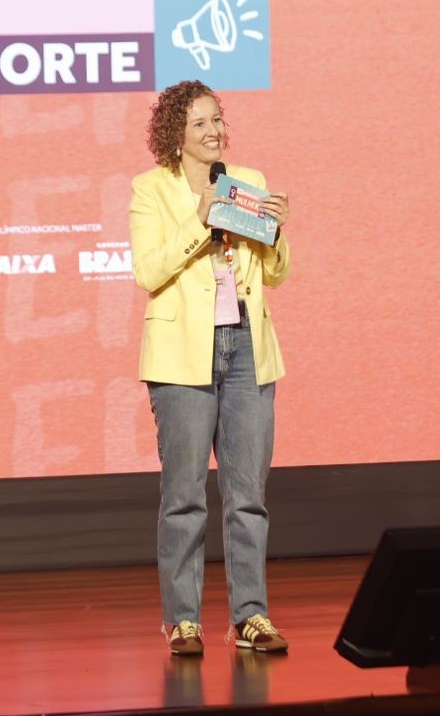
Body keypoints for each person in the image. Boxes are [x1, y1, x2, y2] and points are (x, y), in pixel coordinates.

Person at [130, 80, 292, 656]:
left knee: (248, 493)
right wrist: (200, 220)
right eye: (199, 123)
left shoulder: (247, 182)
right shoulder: (151, 189)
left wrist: (277, 231)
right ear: (176, 135)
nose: (213, 131)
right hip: (183, 353)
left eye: (217, 119)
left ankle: (251, 616)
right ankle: (183, 619)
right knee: (184, 495)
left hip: (246, 344)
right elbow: (148, 272)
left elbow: (274, 274)